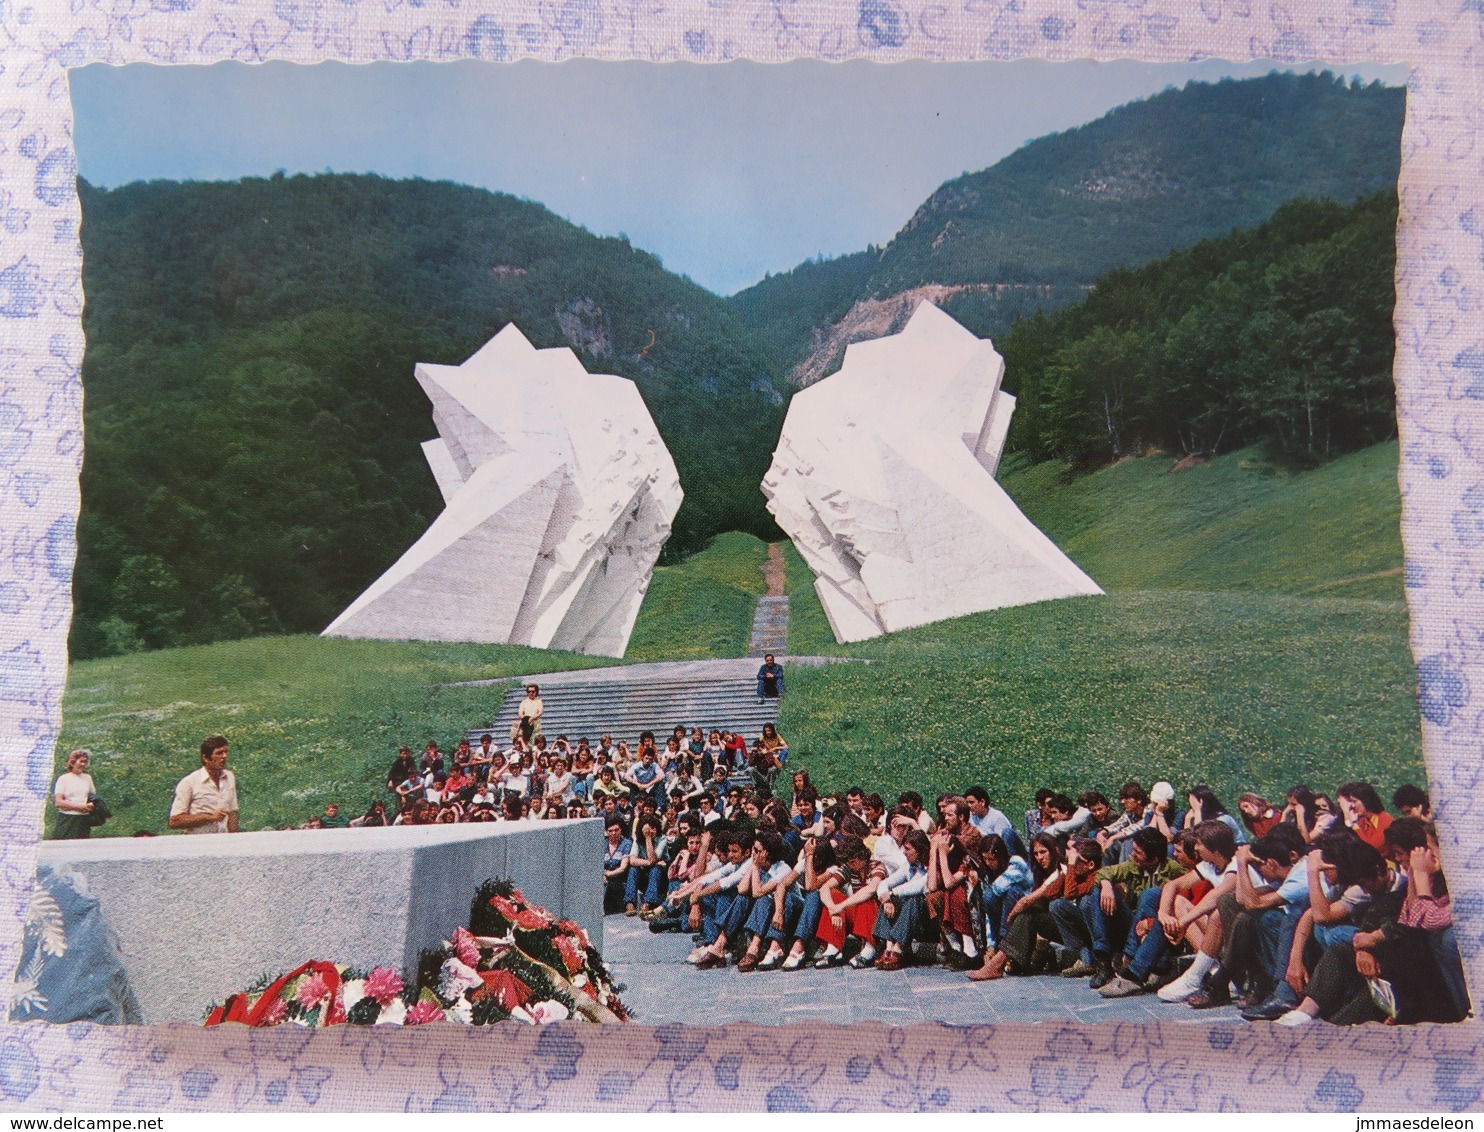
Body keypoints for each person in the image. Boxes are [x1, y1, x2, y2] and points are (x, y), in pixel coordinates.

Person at [169, 736, 239, 834]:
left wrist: (234, 839)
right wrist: (209, 818)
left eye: (225, 752)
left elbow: (232, 812)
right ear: (206, 758)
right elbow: (174, 821)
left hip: (224, 842)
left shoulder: (229, 777)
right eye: (219, 753)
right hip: (200, 843)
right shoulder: (189, 782)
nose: (224, 756)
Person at [52, 749, 97, 840]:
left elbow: (92, 797)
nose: (83, 764)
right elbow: (59, 802)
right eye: (81, 761)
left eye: (85, 762)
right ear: (72, 762)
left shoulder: (87, 778)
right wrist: (81, 807)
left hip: (83, 820)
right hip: (68, 819)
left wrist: (91, 805)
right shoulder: (64, 779)